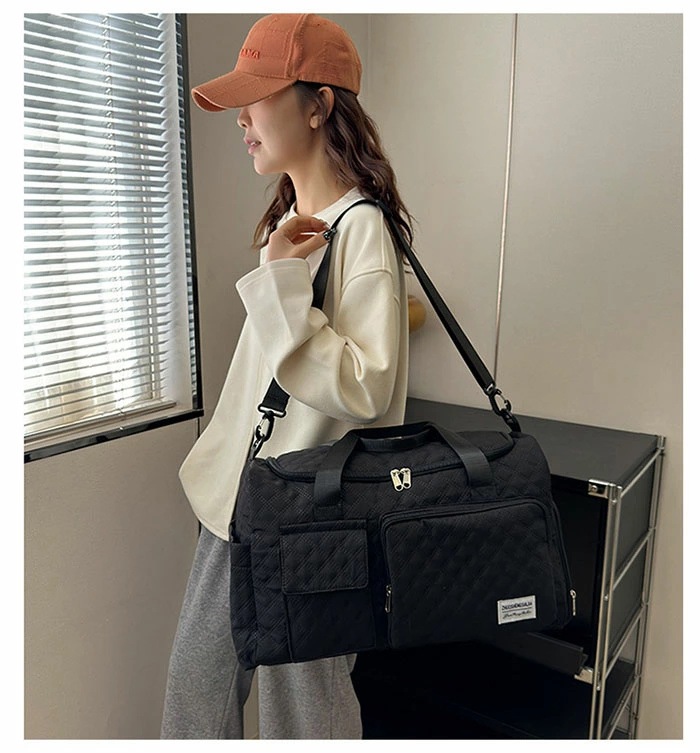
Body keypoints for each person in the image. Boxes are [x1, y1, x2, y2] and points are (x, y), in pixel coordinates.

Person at [161, 13, 413, 740]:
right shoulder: (295, 220)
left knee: (302, 722)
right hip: (242, 504)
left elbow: (365, 385)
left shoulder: (361, 229)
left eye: (258, 95)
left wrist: (278, 283)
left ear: (318, 105)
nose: (241, 117)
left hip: (311, 523)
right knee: (194, 699)